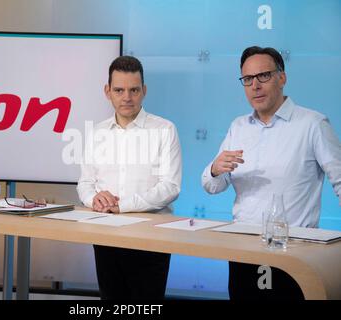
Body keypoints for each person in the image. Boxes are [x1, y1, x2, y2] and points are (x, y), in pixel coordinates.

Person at [202, 46, 341, 300]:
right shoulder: (238, 126)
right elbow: (212, 186)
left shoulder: (312, 124)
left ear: (282, 77)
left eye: (263, 76)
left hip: (295, 253)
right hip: (243, 249)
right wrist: (214, 169)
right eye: (247, 79)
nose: (255, 85)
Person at [77, 56, 182, 299]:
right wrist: (95, 199)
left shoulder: (164, 130)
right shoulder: (96, 133)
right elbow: (85, 182)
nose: (127, 97)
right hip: (105, 235)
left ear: (144, 91)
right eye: (119, 90)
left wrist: (122, 206)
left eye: (134, 90)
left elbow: (170, 186)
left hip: (152, 238)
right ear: (108, 92)